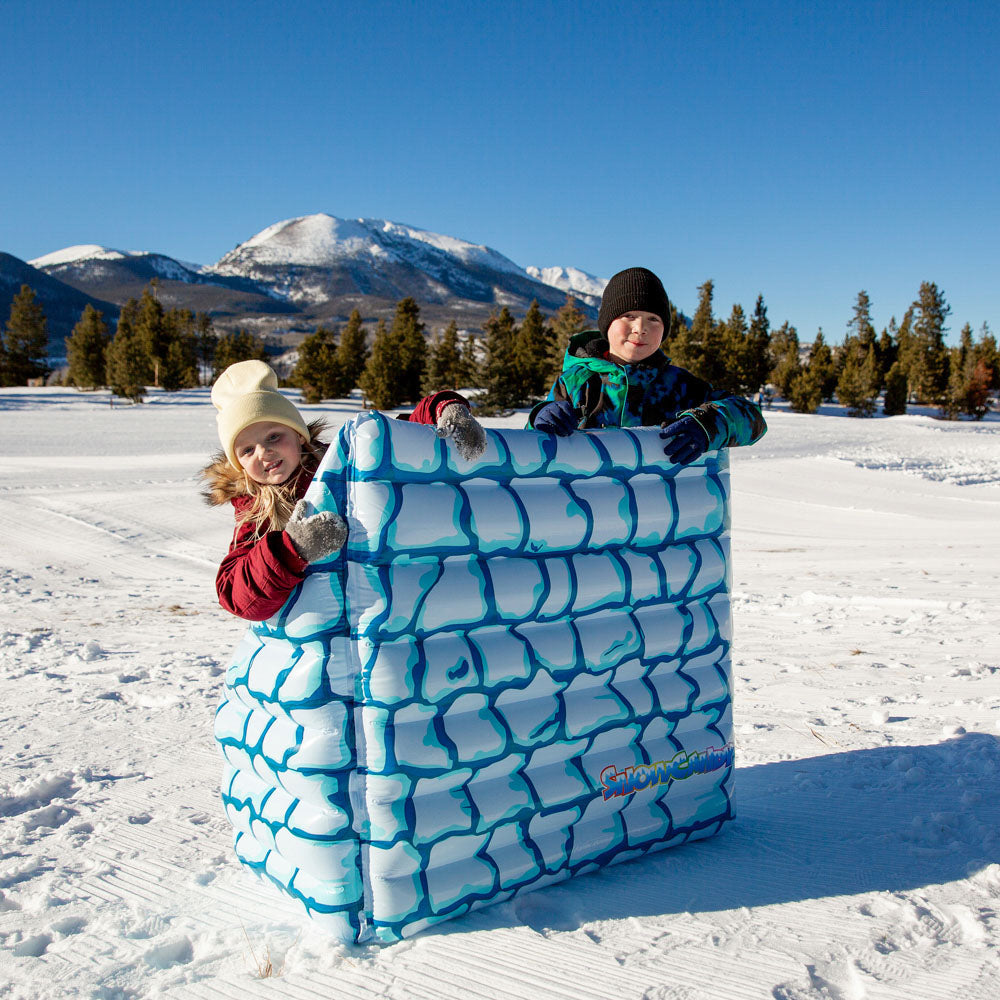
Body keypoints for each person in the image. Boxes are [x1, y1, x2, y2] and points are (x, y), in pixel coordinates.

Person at [201, 359, 485, 621]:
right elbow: (237, 596)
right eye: (248, 449)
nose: (264, 452)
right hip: (329, 636)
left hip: (395, 610)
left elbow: (400, 439)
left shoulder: (343, 461)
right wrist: (290, 549)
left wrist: (443, 409)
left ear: (299, 436)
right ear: (237, 463)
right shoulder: (256, 511)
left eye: (274, 436)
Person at [529, 267, 766, 462]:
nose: (640, 328)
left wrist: (710, 425)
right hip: (586, 508)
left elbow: (753, 418)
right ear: (607, 323)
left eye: (653, 319)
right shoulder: (575, 382)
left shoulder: (681, 386)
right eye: (629, 316)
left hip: (659, 512)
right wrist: (540, 418)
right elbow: (530, 450)